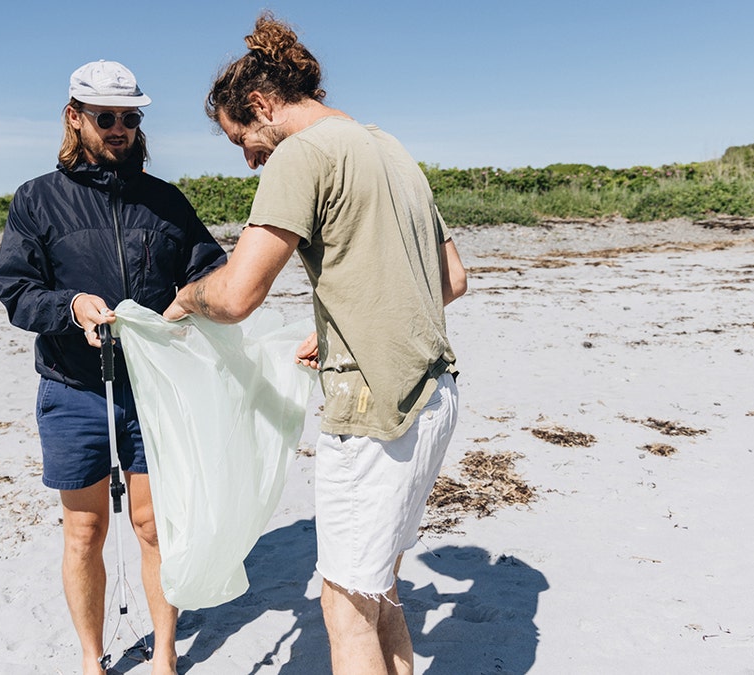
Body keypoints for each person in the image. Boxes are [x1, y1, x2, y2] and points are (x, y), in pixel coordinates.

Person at [162, 13, 467, 675]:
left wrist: (187, 298)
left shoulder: (302, 154)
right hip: (436, 392)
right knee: (378, 585)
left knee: (344, 606)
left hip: (377, 409)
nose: (248, 159)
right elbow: (452, 278)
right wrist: (340, 323)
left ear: (262, 105)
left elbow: (240, 293)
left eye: (242, 139)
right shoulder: (388, 146)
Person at [0, 60, 226, 675]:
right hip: (73, 390)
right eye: (106, 118)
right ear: (76, 117)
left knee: (153, 528)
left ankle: (166, 655)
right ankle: (91, 660)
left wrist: (192, 303)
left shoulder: (166, 202)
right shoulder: (36, 199)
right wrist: (70, 306)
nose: (119, 129)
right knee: (84, 532)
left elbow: (209, 271)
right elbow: (17, 292)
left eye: (129, 118)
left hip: (154, 390)